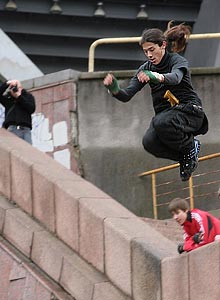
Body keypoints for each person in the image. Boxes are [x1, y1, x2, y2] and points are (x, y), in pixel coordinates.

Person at [103, 22, 208, 181]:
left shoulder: (177, 61)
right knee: (149, 142)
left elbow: (176, 78)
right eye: (146, 52)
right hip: (169, 117)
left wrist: (156, 76)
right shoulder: (144, 69)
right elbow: (127, 95)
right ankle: (186, 157)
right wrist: (114, 88)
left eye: (152, 50)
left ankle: (189, 146)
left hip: (190, 112)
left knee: (160, 122)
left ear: (163, 45)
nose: (149, 55)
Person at [0, 79, 36, 144]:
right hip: (12, 129)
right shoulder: (8, 99)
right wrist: (7, 83)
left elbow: (31, 109)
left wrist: (19, 97)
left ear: (21, 87)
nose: (15, 89)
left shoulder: (28, 97)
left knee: (28, 152)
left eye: (17, 87)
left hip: (25, 129)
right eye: (12, 88)